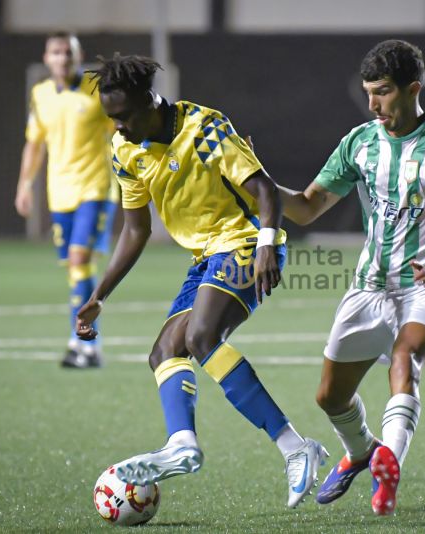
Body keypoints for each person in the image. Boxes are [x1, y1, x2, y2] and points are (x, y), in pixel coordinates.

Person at [75, 53, 327, 508]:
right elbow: (136, 230)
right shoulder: (125, 151)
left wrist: (268, 243)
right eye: (111, 119)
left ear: (150, 102)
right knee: (163, 352)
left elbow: (265, 189)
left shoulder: (204, 127)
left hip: (247, 241)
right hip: (204, 258)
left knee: (202, 335)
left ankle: (294, 447)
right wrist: (99, 295)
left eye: (124, 116)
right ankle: (184, 444)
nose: (118, 127)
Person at [277, 40, 425, 515]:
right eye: (369, 92)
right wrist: (258, 185)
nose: (373, 104)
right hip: (370, 286)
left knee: (405, 357)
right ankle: (363, 451)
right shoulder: (360, 143)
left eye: (383, 92)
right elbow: (305, 208)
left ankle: (389, 464)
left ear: (413, 89)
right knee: (329, 396)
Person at [14, 32, 119, 369]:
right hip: (59, 193)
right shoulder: (40, 94)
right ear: (47, 58)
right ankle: (85, 345)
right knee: (78, 271)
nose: (62, 58)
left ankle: (85, 343)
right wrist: (24, 185)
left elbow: (121, 129)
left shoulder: (95, 89)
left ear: (78, 56)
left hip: (96, 189)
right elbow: (34, 144)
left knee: (78, 260)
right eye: (56, 53)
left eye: (68, 53)